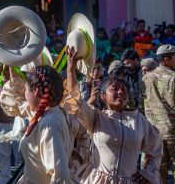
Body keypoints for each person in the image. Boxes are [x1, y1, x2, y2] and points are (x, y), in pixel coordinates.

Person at [65, 46, 163, 183]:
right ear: (103, 96)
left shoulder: (139, 120)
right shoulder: (96, 117)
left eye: (123, 89)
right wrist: (71, 69)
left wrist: (147, 173)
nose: (121, 92)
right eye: (115, 89)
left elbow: (156, 148)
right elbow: (75, 101)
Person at [0, 65, 72, 183]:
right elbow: (21, 105)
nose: (24, 95)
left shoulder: (49, 124)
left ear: (36, 91)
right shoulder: (55, 112)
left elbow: (61, 174)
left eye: (26, 90)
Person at [140, 44, 175, 183]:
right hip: (172, 130)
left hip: (153, 132)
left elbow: (141, 106)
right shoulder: (172, 77)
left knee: (158, 172)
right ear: (167, 60)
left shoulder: (146, 78)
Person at [0, 65, 22, 184]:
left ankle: (18, 179)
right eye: (4, 69)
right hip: (0, 122)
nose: (6, 72)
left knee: (19, 154)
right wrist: (0, 100)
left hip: (17, 121)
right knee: (4, 154)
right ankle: (4, 180)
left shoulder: (17, 81)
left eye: (8, 69)